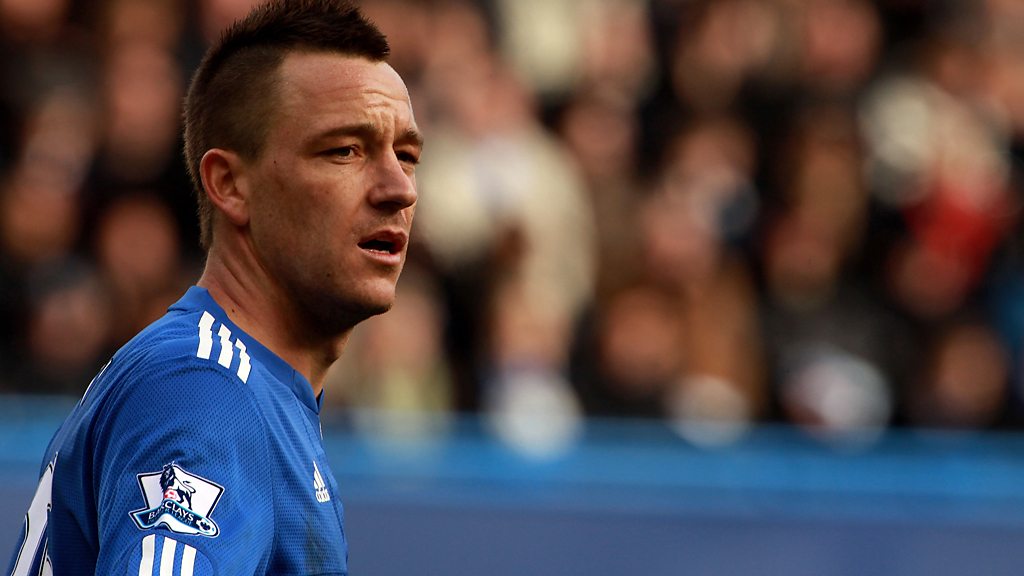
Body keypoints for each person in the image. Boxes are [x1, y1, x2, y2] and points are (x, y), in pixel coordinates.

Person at [7, 0, 422, 574]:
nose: (399, 188)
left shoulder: (250, 389)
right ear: (229, 184)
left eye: (407, 155)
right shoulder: (206, 393)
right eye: (344, 151)